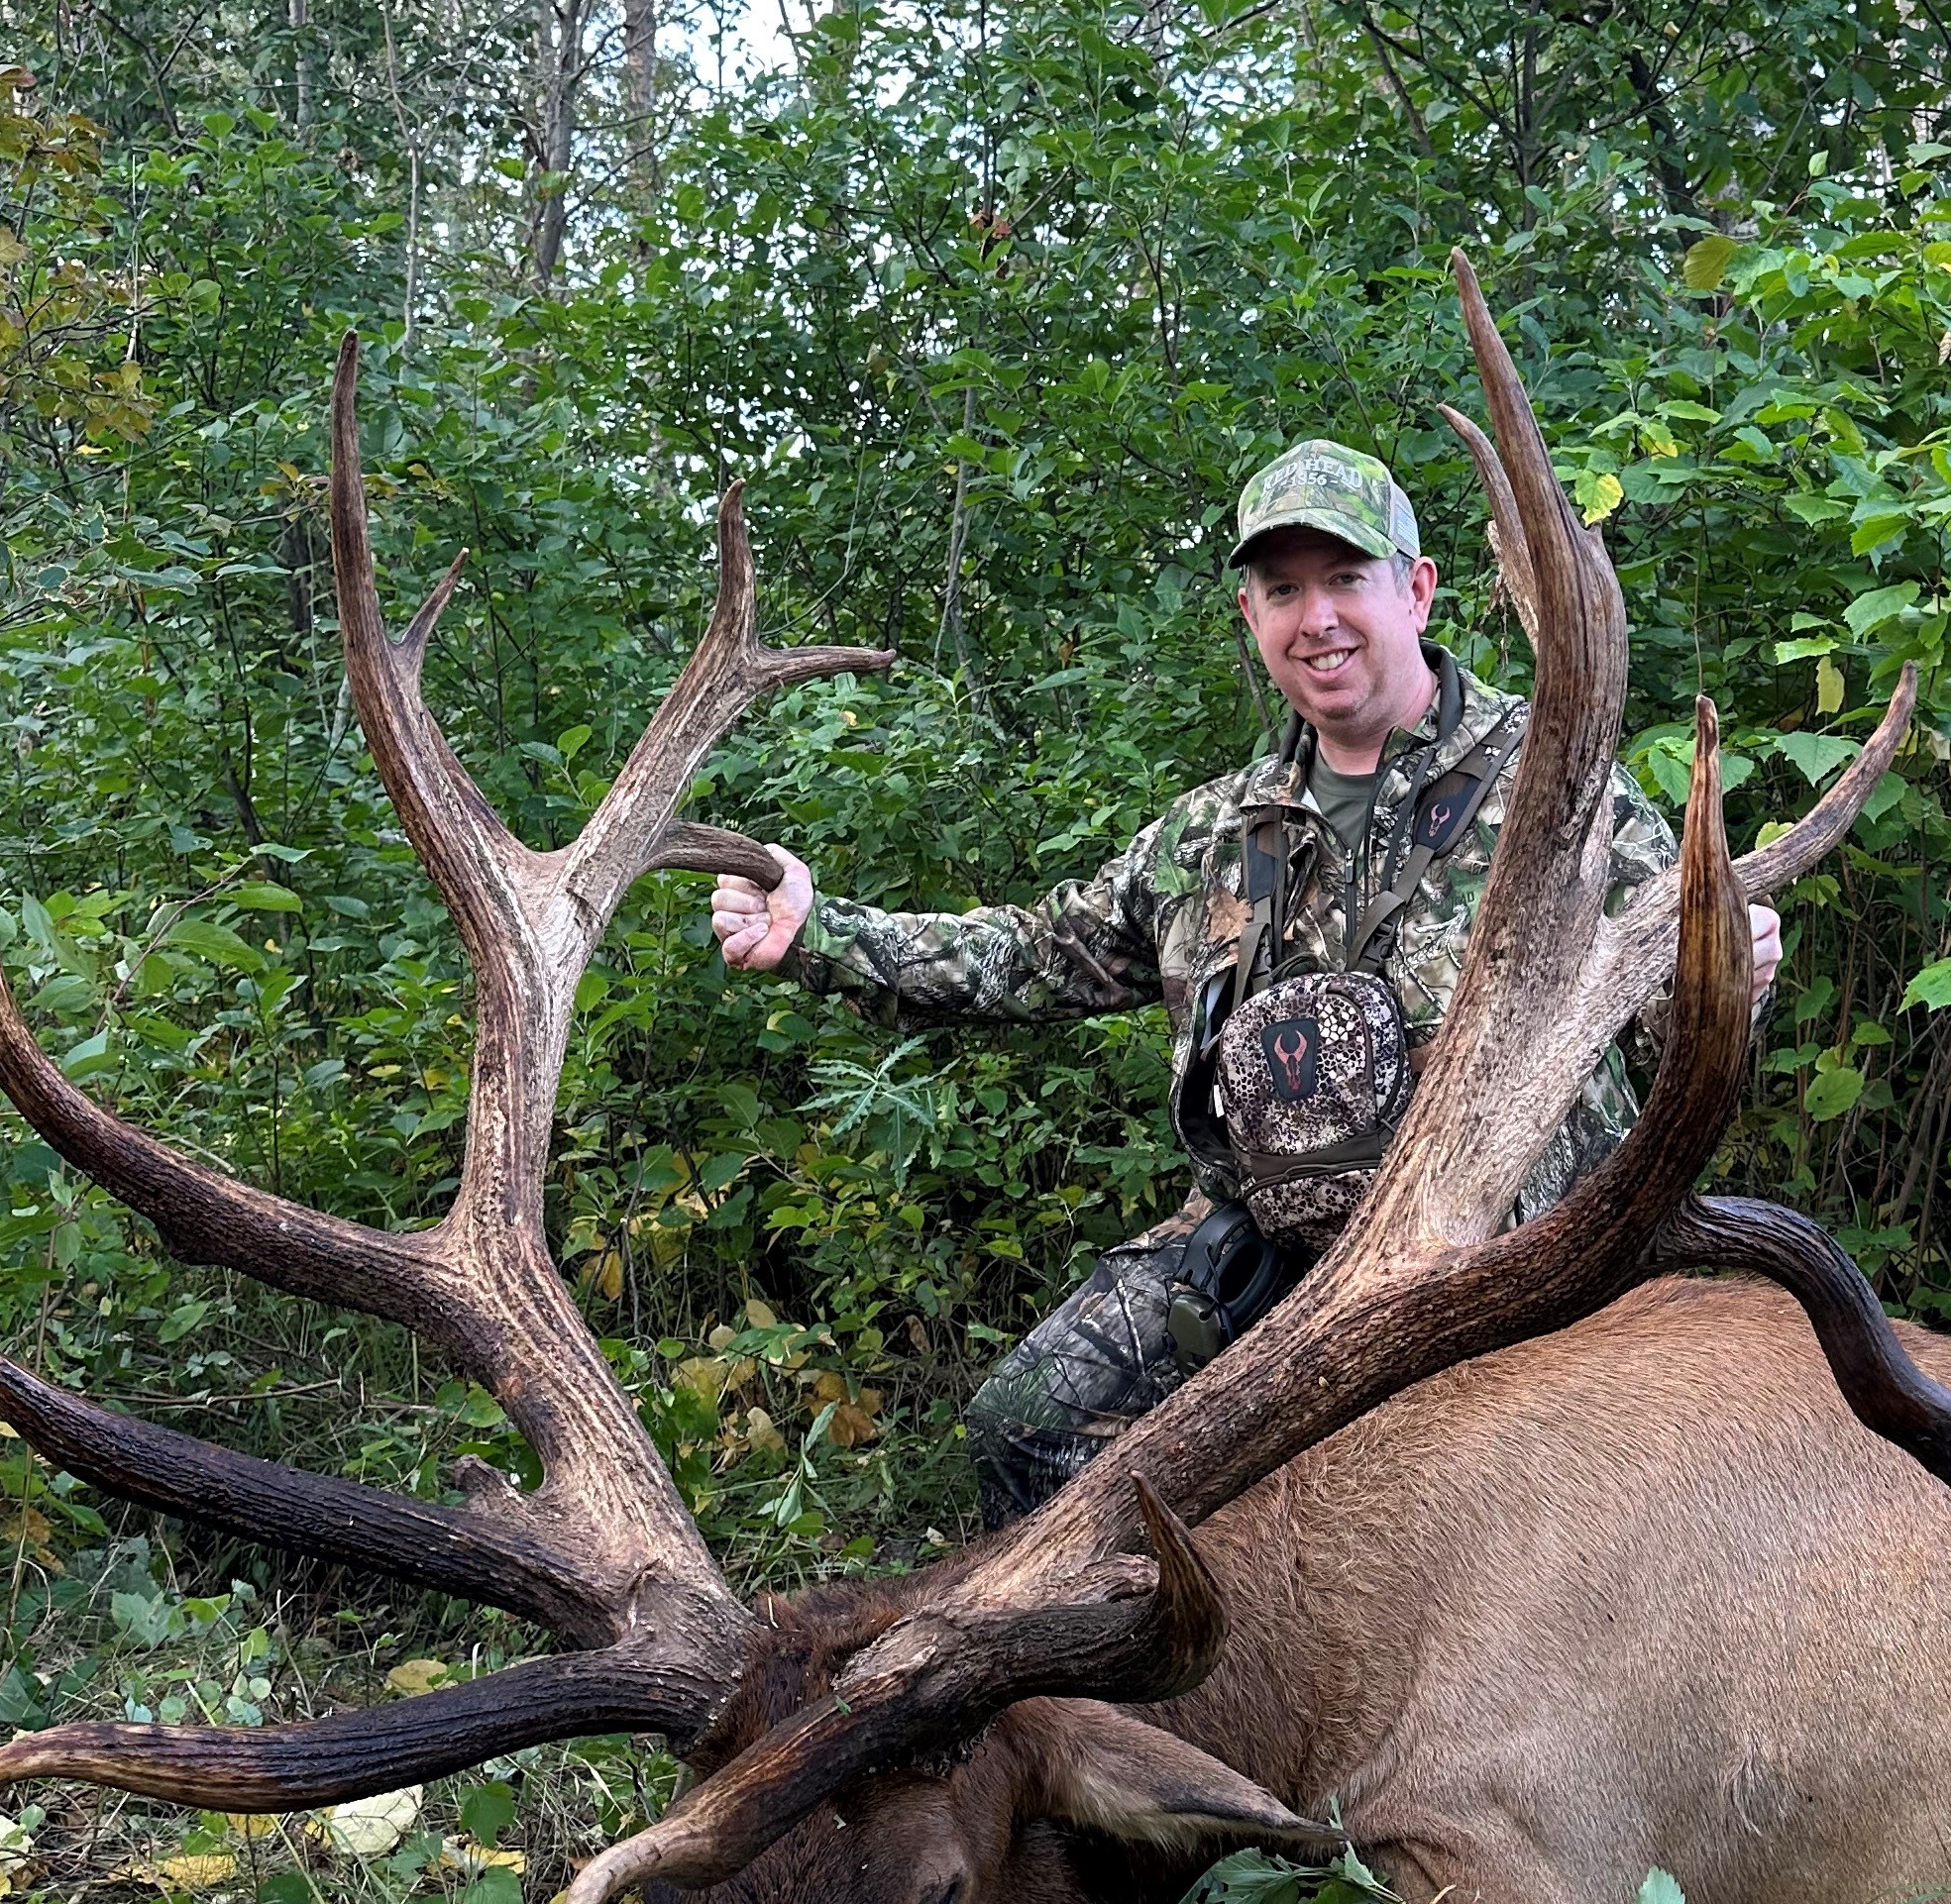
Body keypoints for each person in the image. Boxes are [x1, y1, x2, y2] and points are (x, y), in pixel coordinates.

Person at [713, 438, 1782, 1526]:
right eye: (1283, 590)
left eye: (1344, 580)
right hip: (1270, 1260)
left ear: (1415, 591)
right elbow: (1039, 954)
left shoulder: (1564, 785)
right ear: (1250, 616)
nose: (1315, 619)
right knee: (1026, 1423)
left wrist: (1722, 977)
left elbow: (1672, 1032)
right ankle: (1124, 1692)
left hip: (1501, 1272)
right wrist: (821, 932)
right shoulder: (1218, 831)